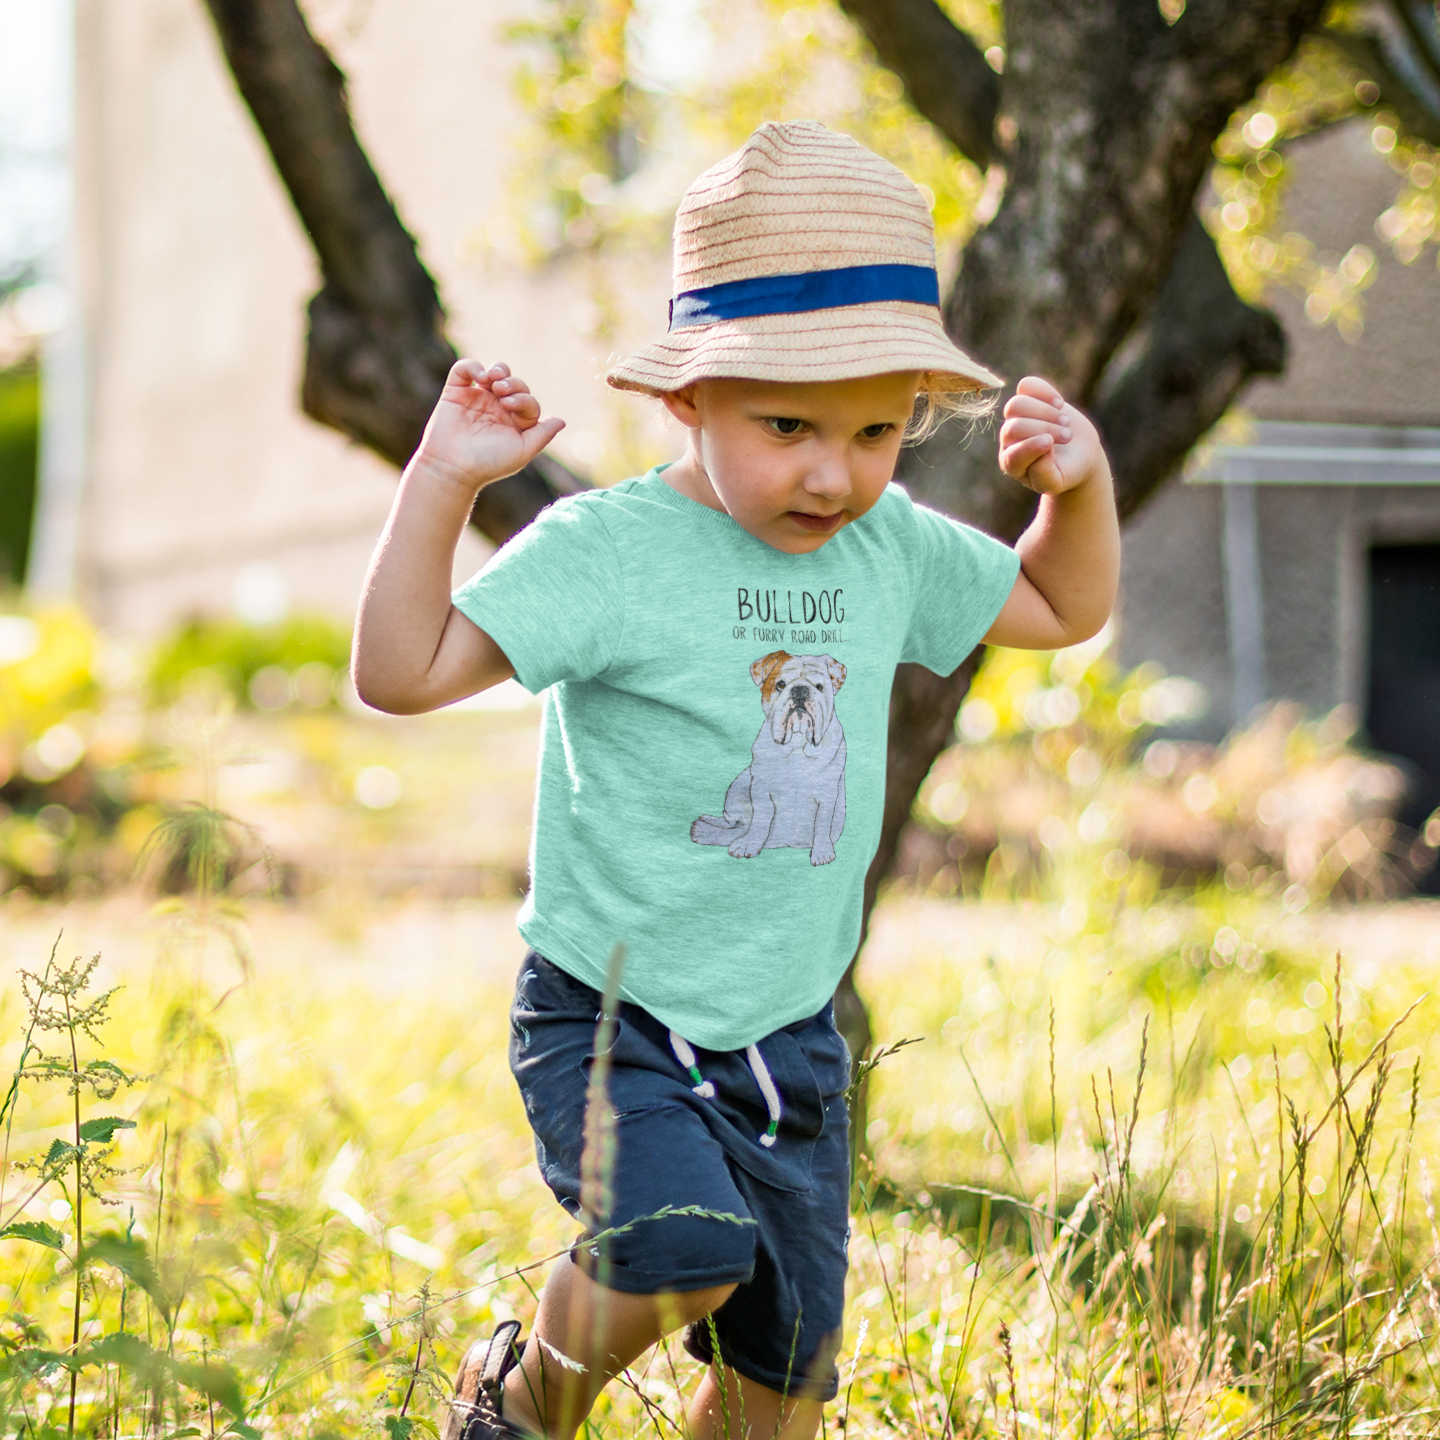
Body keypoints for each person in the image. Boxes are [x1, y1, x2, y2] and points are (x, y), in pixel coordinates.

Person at [352, 120, 1119, 1440]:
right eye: (788, 425)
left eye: (877, 430)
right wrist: (442, 480)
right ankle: (520, 1404)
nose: (833, 471)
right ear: (687, 397)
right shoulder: (610, 549)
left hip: (791, 1036)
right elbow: (400, 671)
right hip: (617, 1013)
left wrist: (1082, 487)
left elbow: (1059, 605)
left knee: (782, 1391)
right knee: (680, 1246)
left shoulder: (886, 545)